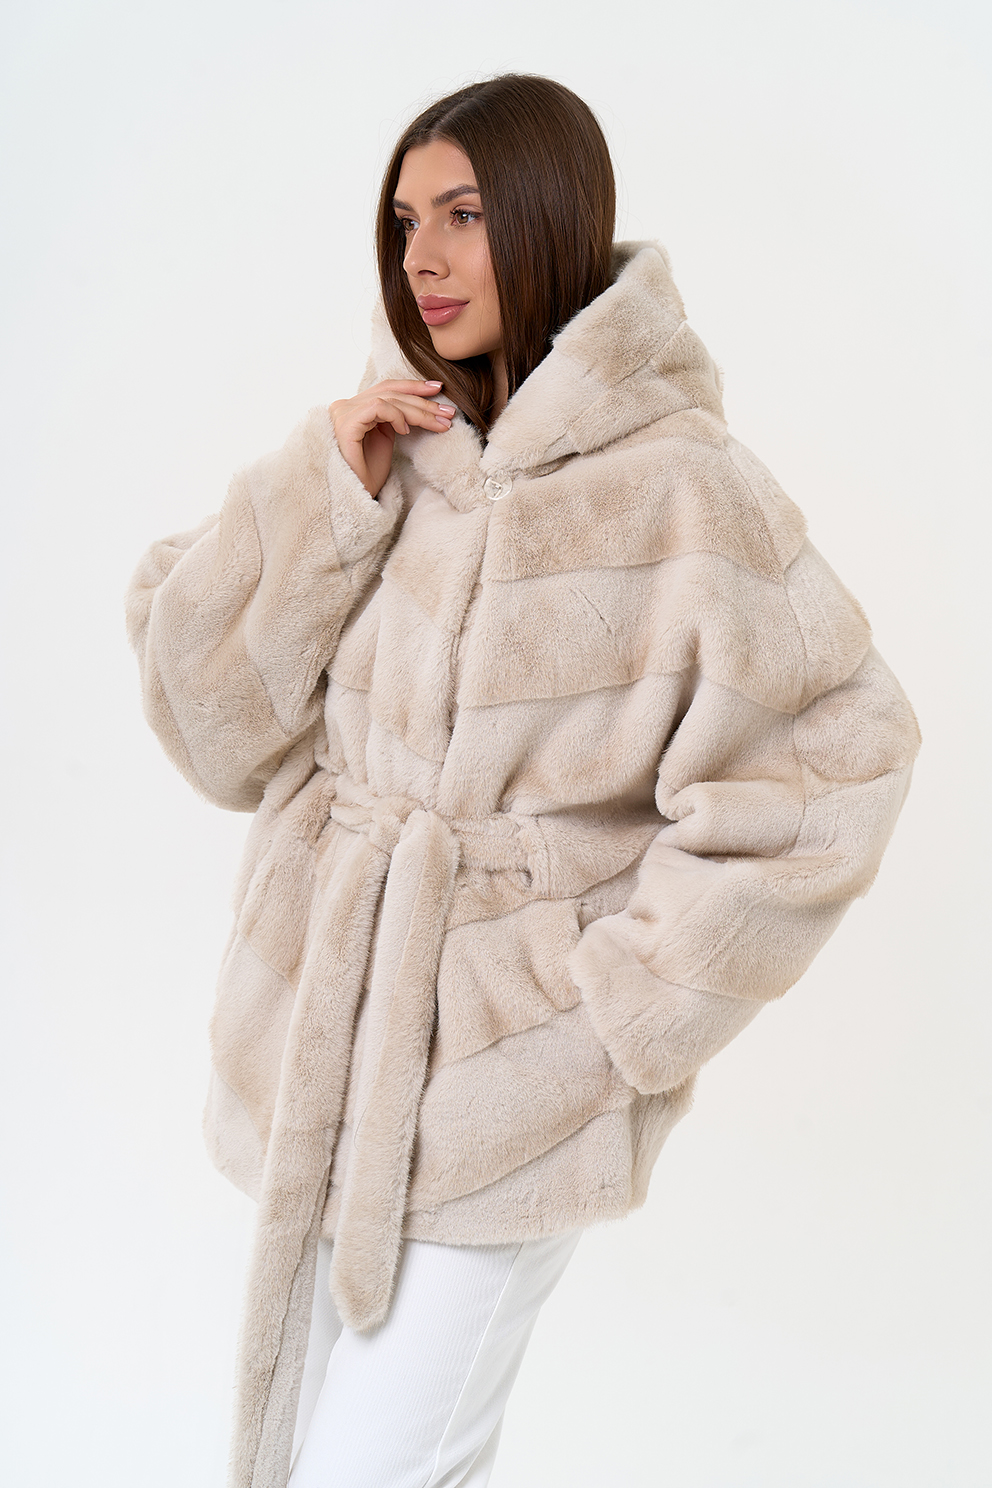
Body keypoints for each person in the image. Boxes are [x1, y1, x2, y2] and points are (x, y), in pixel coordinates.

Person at [126, 73, 920, 1488]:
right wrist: (320, 489)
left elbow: (838, 757)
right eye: (405, 221)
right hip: (327, 1056)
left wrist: (612, 1019)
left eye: (465, 215)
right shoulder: (389, 443)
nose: (421, 259)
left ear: (550, 217)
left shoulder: (682, 485)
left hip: (509, 1088)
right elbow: (212, 727)